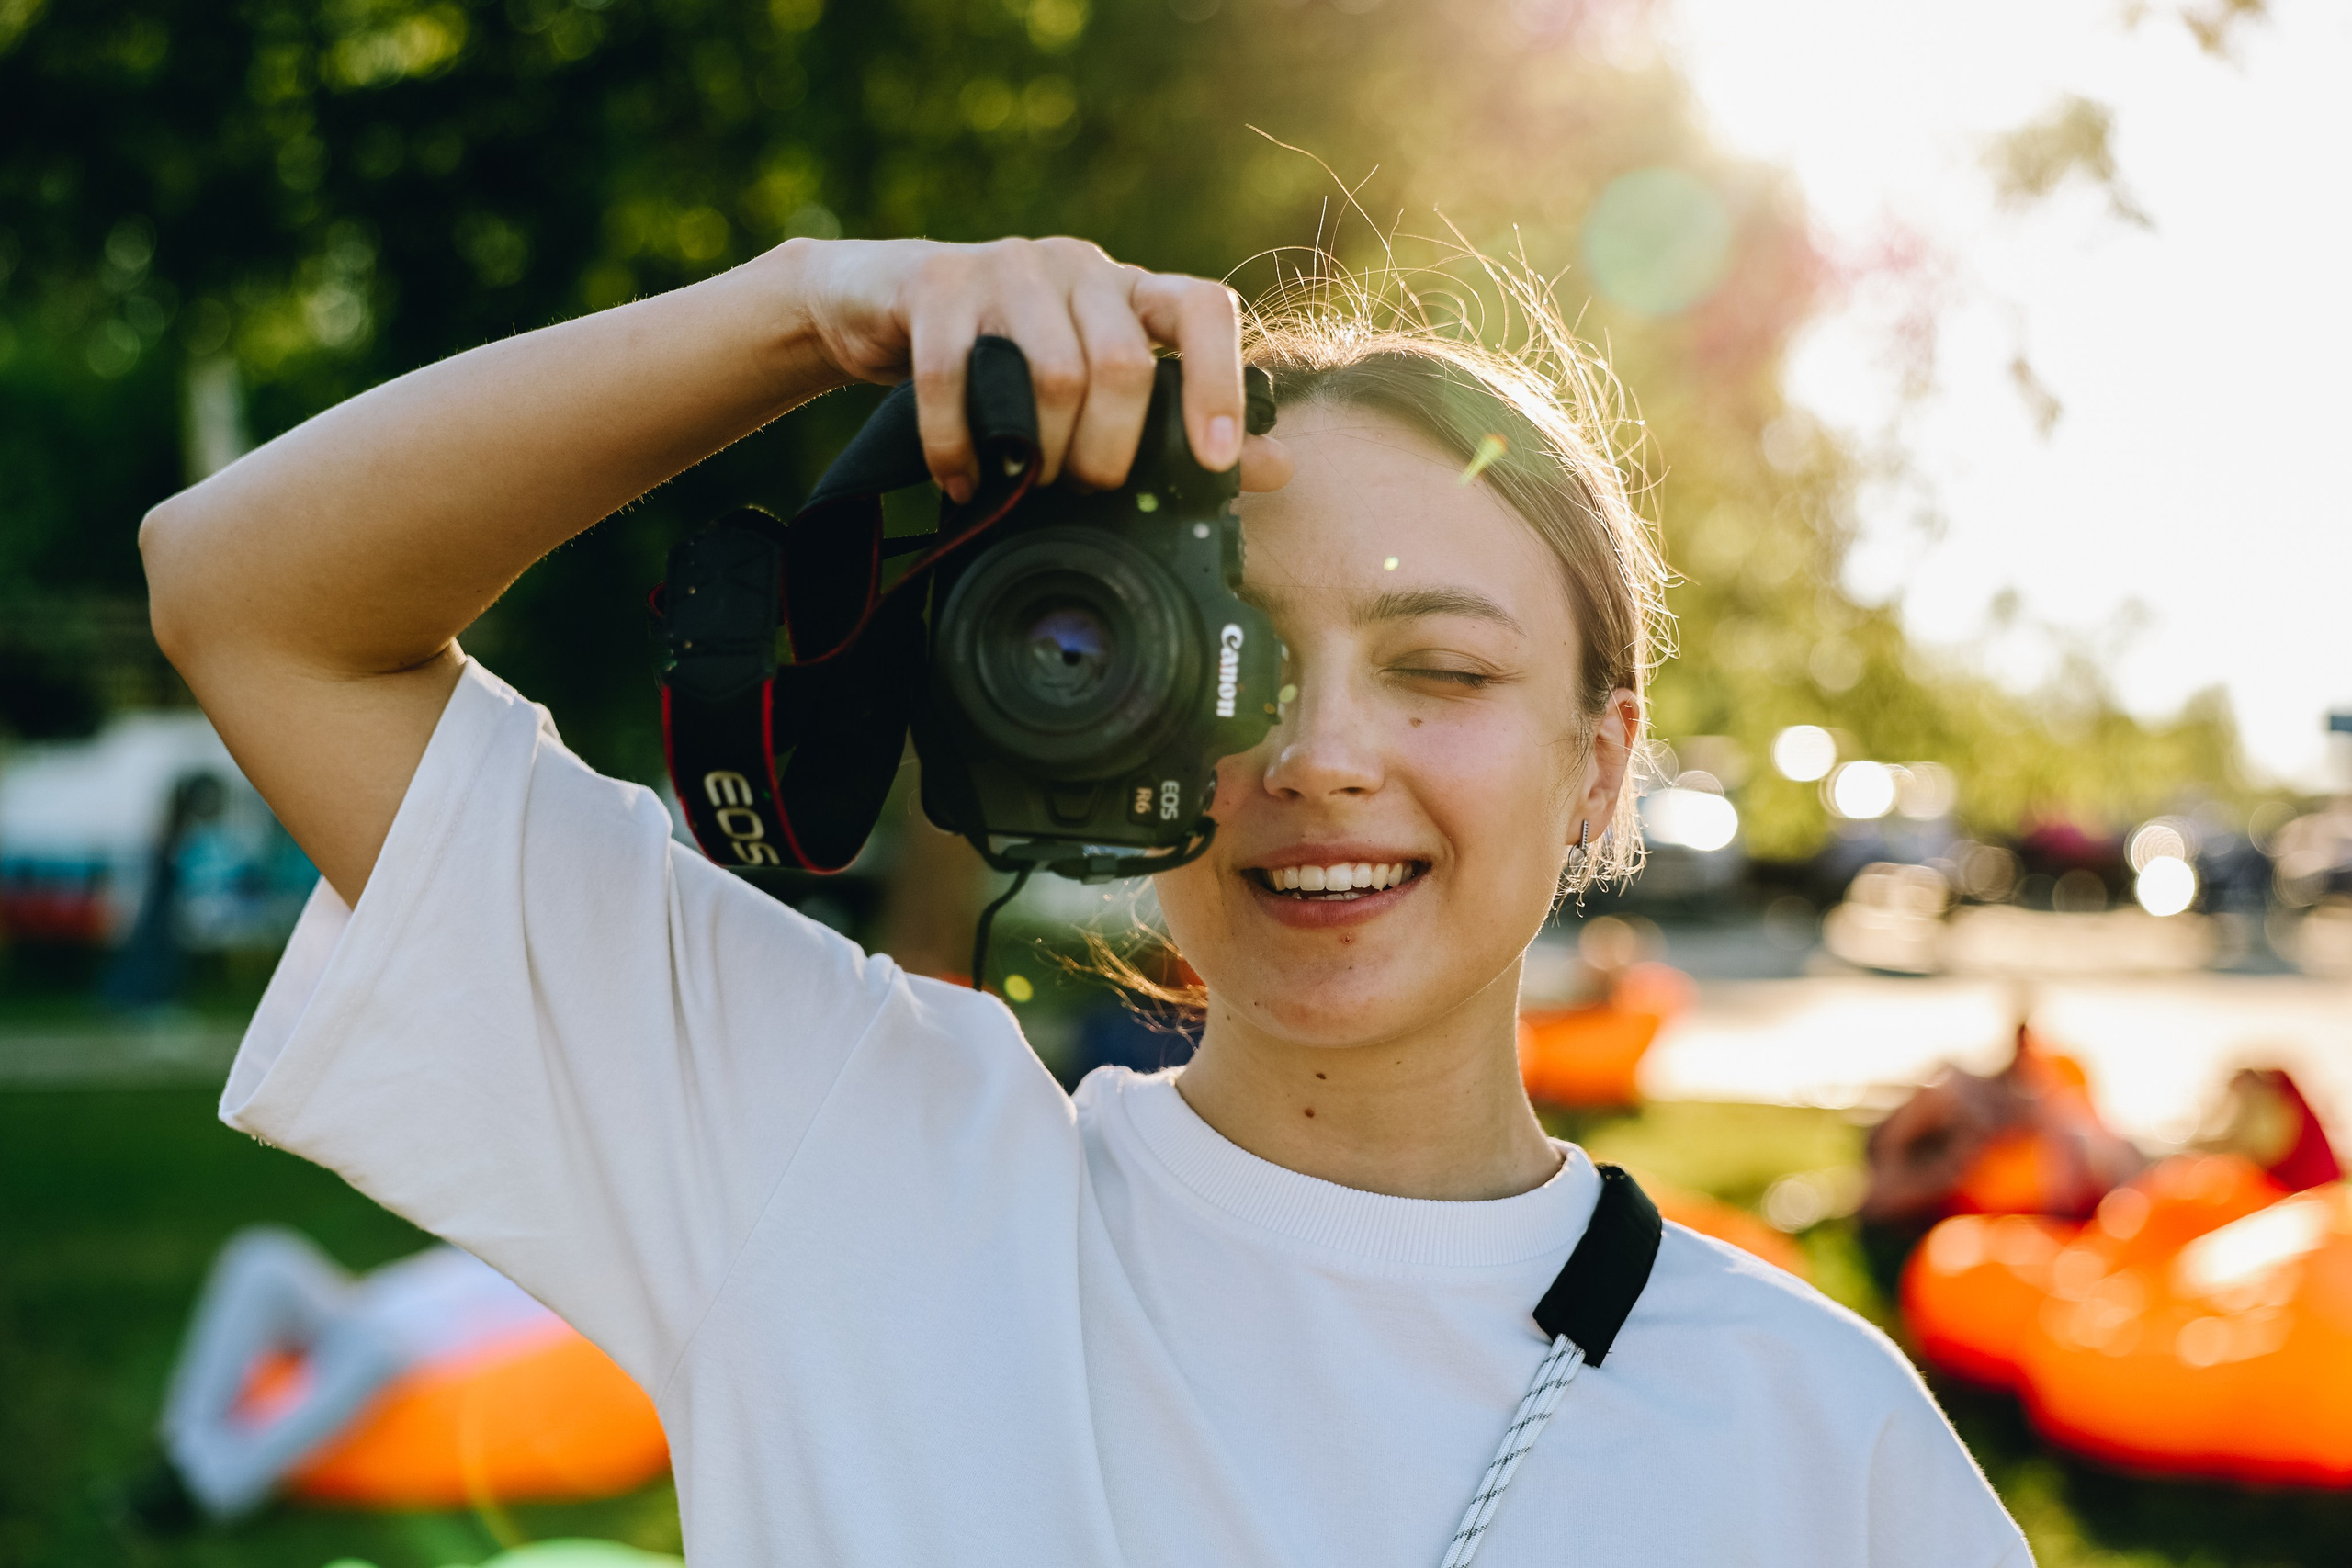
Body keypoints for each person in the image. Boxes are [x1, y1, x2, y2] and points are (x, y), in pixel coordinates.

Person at [141, 235, 2030, 1565]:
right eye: (1234, 658)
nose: (1320, 753)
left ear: (1598, 762)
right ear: (1104, 712)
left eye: (1439, 671)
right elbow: (251, 600)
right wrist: (816, 310)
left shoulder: (1811, 1429)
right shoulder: (834, 1162)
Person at [133, 1231, 554, 1527]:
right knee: (262, 1257)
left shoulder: (570, 1299)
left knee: (374, 1350)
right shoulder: (494, 1235)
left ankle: (213, 1490)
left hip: (407, 1361)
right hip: (358, 1307)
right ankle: (183, 1442)